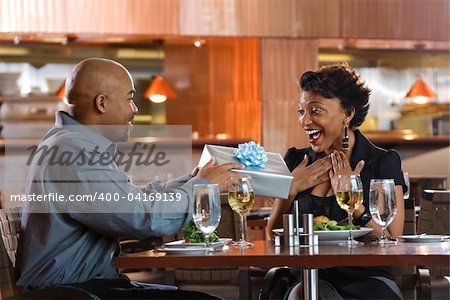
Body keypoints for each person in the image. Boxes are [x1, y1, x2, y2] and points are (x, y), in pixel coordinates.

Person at [16, 58, 243, 299]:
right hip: (71, 293)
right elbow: (142, 218)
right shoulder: (74, 151)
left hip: (90, 285)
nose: (135, 109)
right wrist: (201, 188)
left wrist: (193, 180)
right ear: (101, 103)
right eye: (129, 98)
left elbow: (132, 201)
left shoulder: (72, 143)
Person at [266, 63, 406, 299]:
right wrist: (289, 190)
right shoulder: (295, 161)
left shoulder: (382, 162)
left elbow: (390, 240)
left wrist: (353, 202)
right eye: (301, 111)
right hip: (308, 280)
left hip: (368, 283)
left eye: (316, 111)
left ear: (347, 114)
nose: (305, 121)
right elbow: (273, 239)